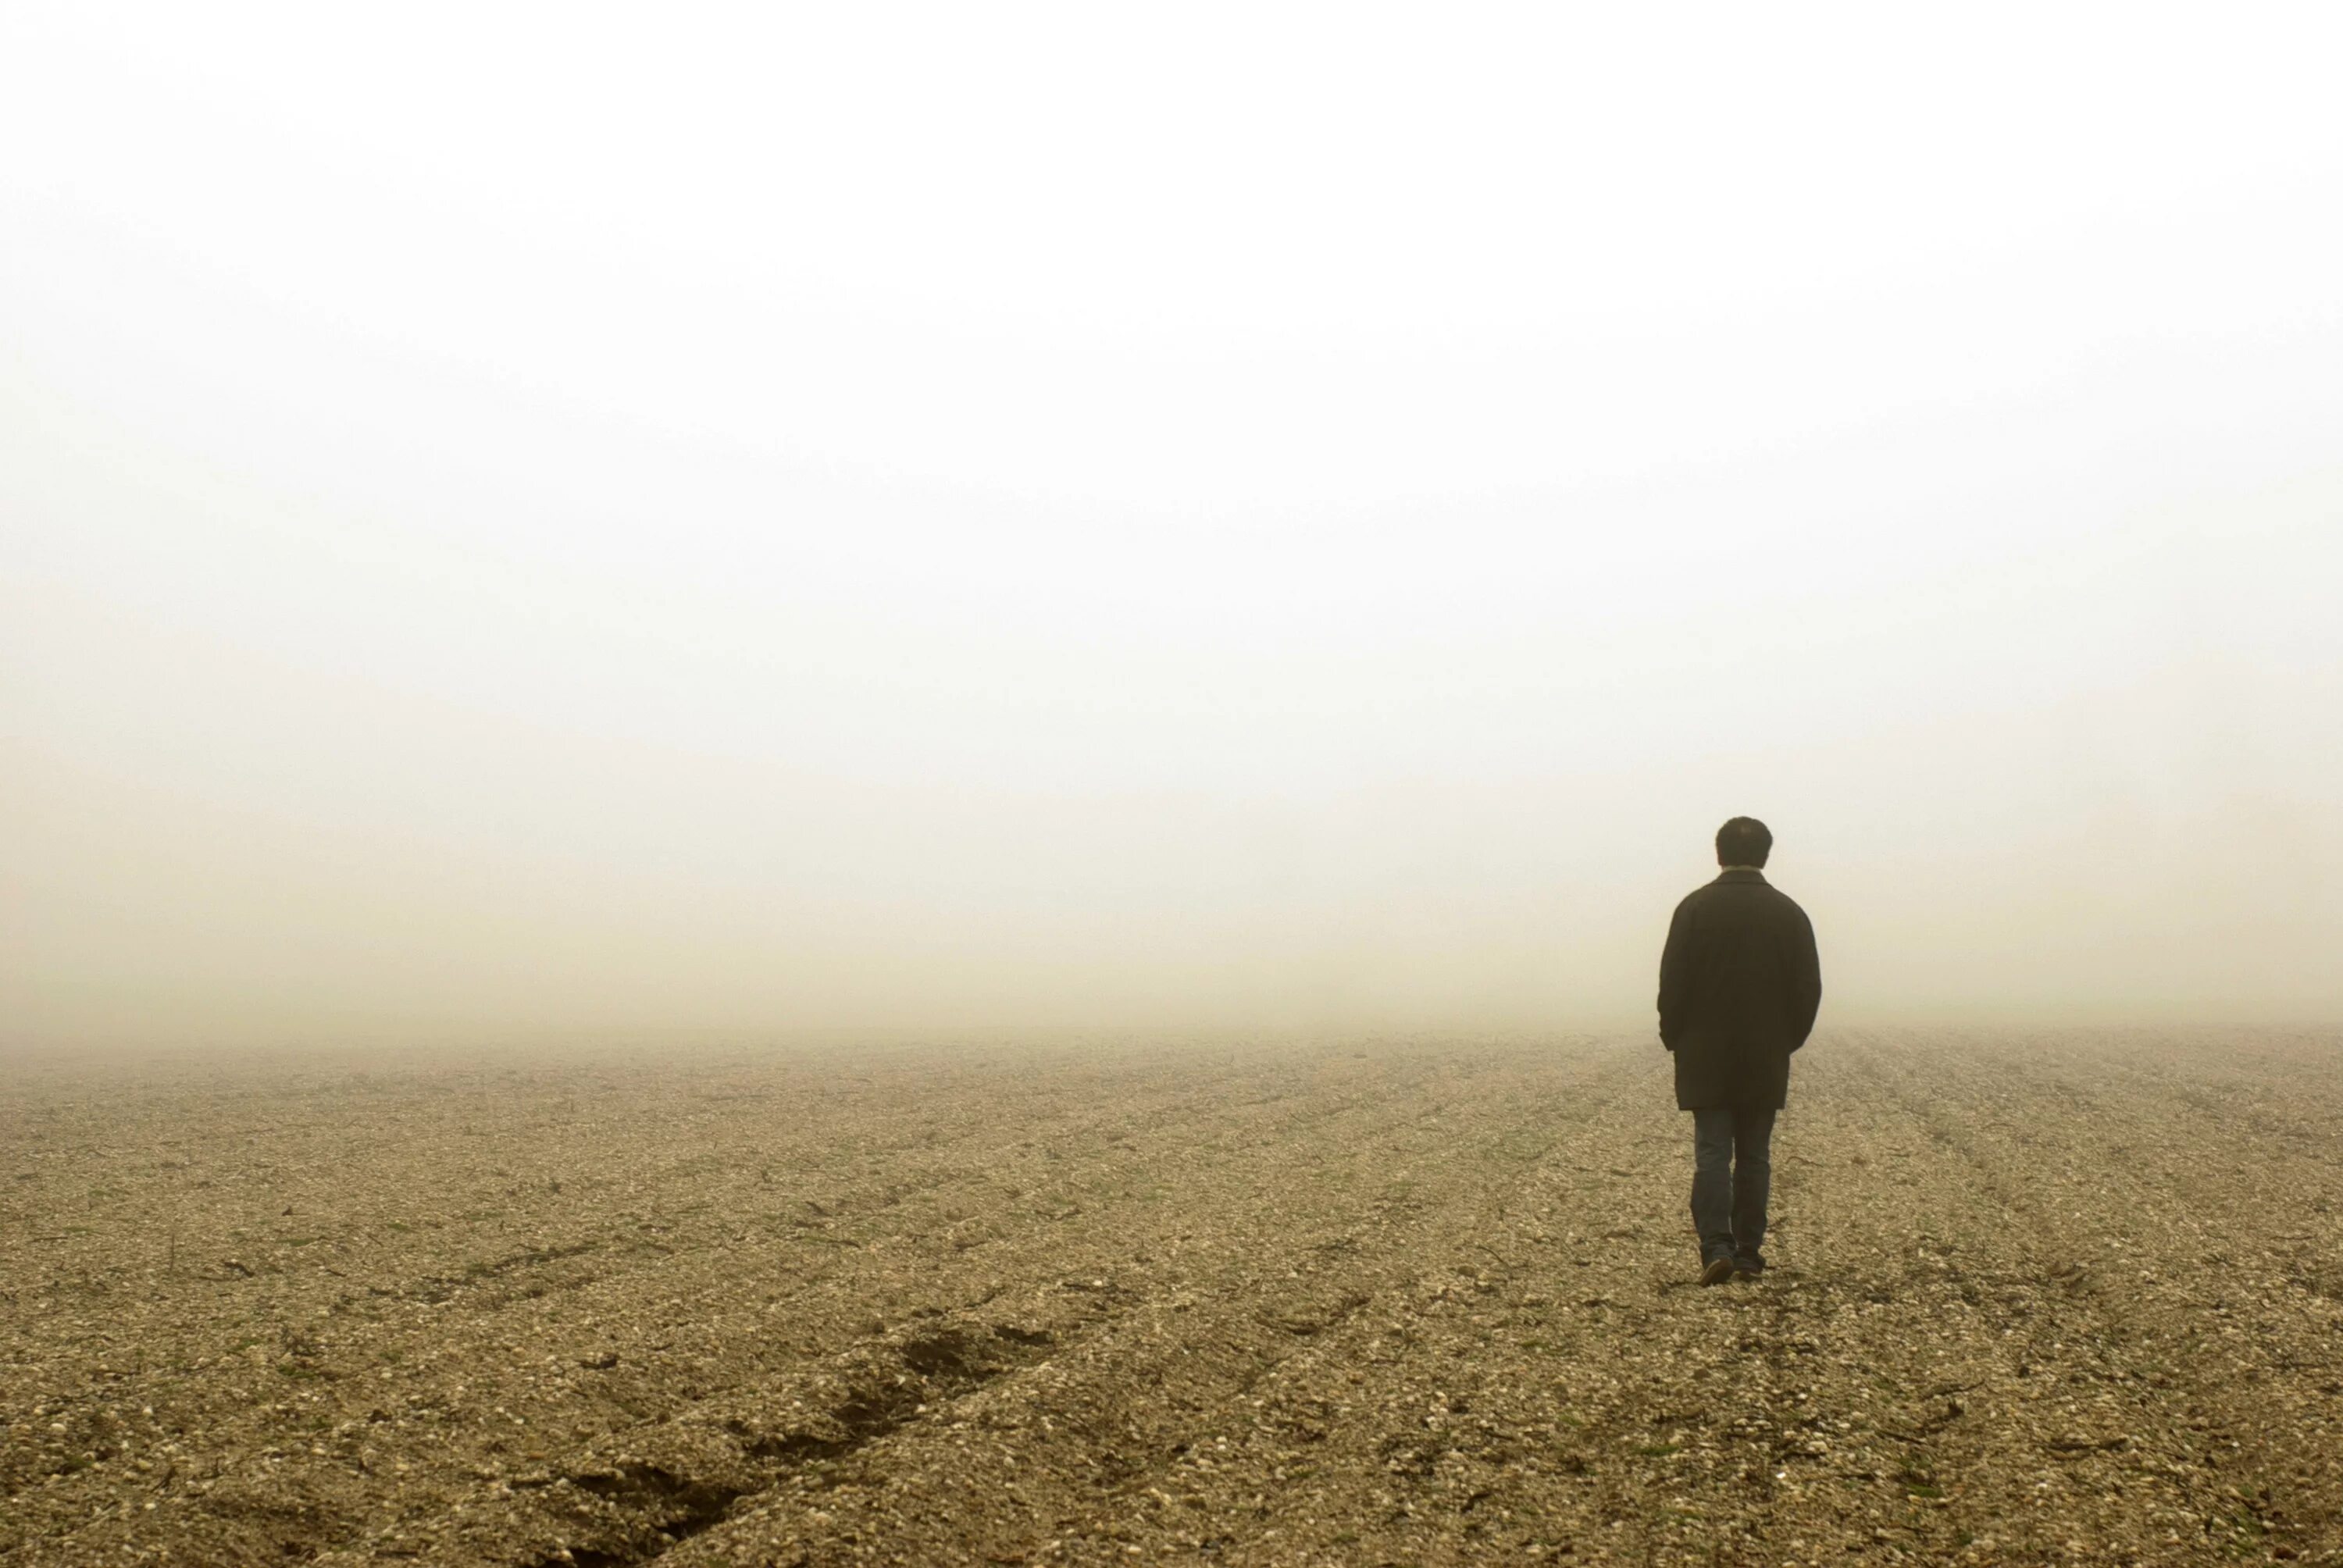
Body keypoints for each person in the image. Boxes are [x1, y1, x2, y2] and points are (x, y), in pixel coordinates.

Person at [1657, 817, 1822, 1285]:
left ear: (1718, 854)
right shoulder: (1790, 913)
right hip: (1765, 1054)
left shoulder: (1693, 908)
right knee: (1755, 1155)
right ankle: (1749, 1253)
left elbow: (1672, 985)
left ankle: (1716, 1246)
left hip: (1704, 1054)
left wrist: (1677, 1038)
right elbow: (1808, 990)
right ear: (1766, 856)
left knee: (1712, 1152)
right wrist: (1786, 1041)